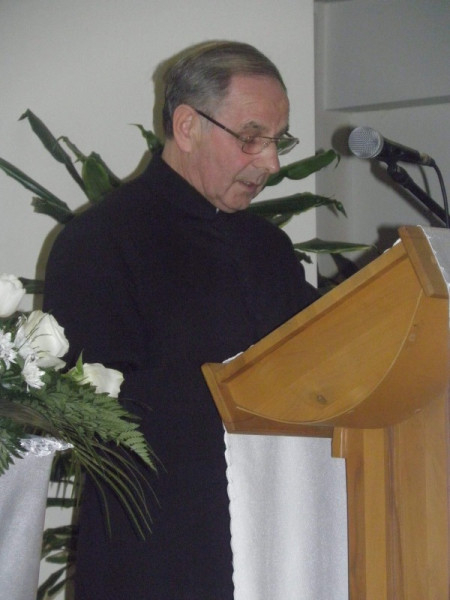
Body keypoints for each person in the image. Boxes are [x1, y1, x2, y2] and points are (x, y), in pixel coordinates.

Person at [44, 40, 319, 600]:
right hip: (156, 556)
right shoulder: (100, 241)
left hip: (279, 539)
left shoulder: (268, 246)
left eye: (278, 141)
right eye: (252, 138)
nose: (271, 164)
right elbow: (94, 419)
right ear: (188, 126)